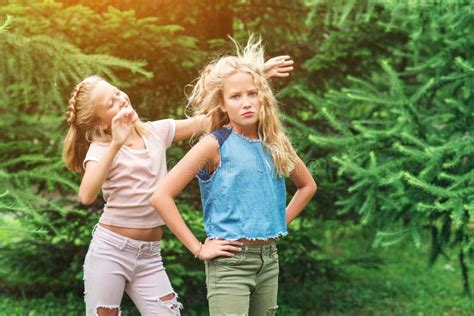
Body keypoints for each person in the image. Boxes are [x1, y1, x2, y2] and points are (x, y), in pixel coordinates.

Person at [62, 55, 294, 316]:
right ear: (102, 123)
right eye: (111, 104)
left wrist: (257, 75)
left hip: (149, 255)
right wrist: (116, 142)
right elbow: (86, 194)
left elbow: (212, 117)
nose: (121, 100)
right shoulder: (101, 148)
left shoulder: (155, 132)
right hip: (110, 251)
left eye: (117, 93)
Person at [150, 36, 317, 316]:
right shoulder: (213, 145)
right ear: (223, 104)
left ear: (263, 97)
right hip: (229, 264)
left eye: (253, 94)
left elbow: (307, 186)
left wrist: (276, 221)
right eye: (236, 97)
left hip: (269, 259)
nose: (246, 102)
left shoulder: (275, 142)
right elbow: (161, 196)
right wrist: (198, 248)